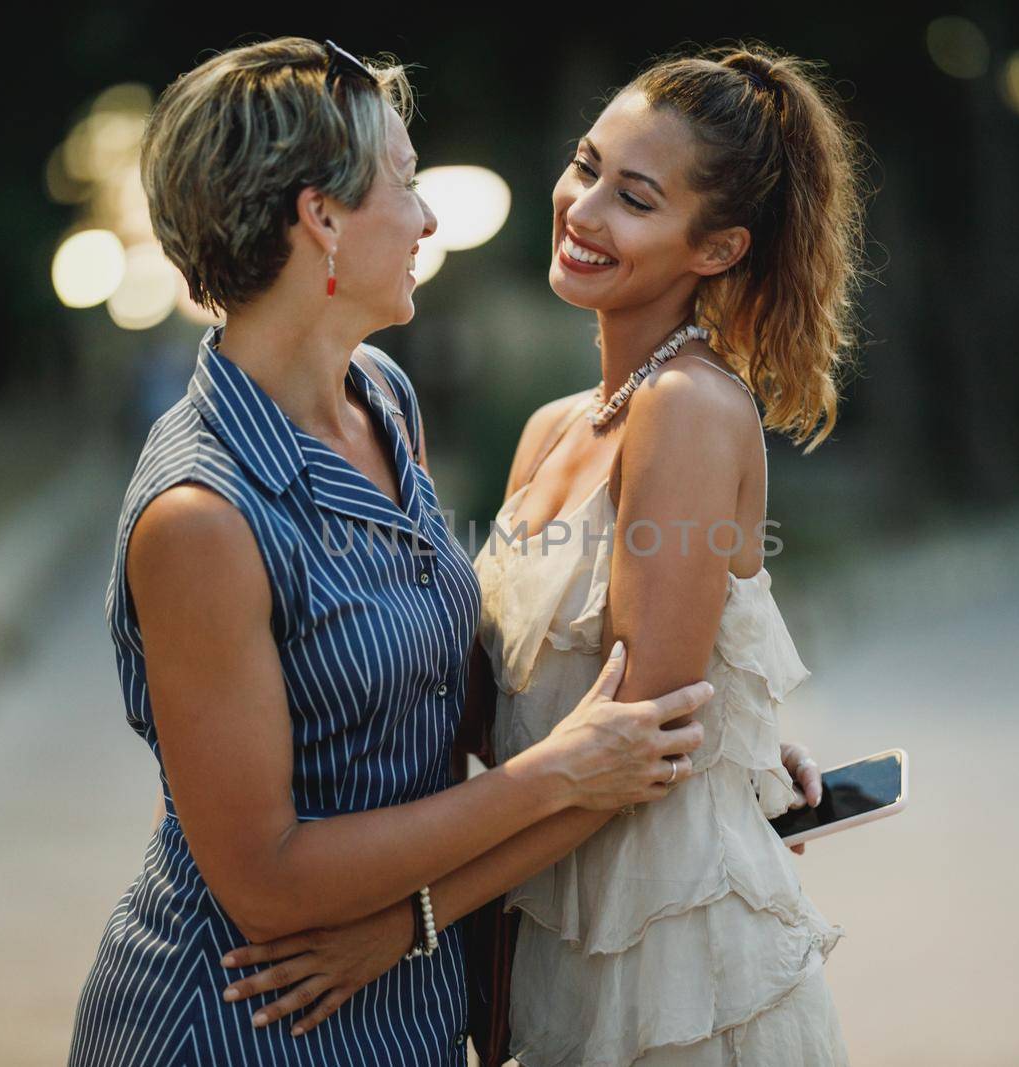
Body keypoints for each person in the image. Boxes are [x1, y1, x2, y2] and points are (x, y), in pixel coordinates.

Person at [66, 37, 715, 1067]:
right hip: (249, 1021)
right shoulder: (200, 515)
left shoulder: (380, 394)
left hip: (406, 1005)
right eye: (405, 184)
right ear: (319, 217)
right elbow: (267, 878)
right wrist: (554, 776)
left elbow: (444, 685)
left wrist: (722, 750)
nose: (427, 218)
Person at [225, 39, 866, 1067]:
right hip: (549, 930)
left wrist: (403, 926)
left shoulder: (689, 411)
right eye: (587, 165)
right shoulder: (553, 428)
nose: (583, 207)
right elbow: (505, 719)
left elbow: (628, 767)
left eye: (636, 198)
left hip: (667, 958)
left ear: (717, 248)